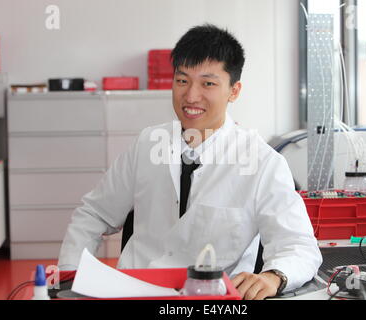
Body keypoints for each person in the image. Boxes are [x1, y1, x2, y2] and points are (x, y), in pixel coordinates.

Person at [58, 24, 322, 300]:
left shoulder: (262, 163)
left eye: (208, 83)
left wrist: (274, 276)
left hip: (212, 300)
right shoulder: (148, 144)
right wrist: (69, 276)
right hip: (134, 294)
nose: (191, 96)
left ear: (234, 90)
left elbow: (298, 245)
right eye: (182, 80)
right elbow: (95, 213)